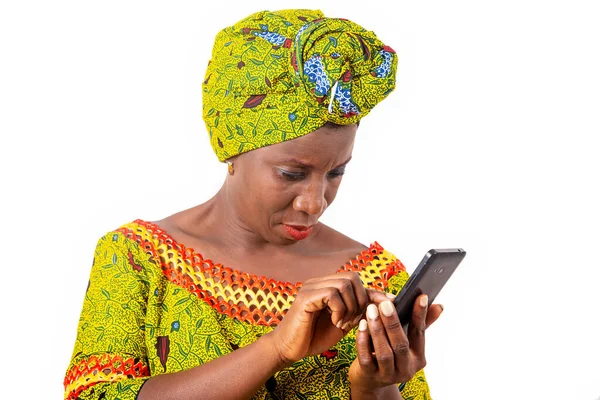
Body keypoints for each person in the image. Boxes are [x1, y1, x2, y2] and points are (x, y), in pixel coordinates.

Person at [64, 9, 444, 400]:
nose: (314, 203)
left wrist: (373, 389)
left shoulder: (377, 279)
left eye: (335, 173)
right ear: (231, 151)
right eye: (291, 174)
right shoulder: (138, 258)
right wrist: (275, 348)